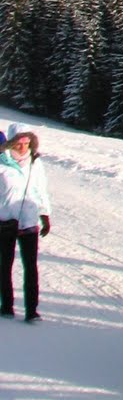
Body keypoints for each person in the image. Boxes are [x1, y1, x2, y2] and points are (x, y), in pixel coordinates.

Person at [0, 122, 53, 323]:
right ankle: (6, 306)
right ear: (11, 143)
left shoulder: (35, 163)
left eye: (26, 142)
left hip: (29, 221)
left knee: (31, 266)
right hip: (5, 220)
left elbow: (40, 190)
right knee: (5, 265)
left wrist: (45, 214)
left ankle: (32, 310)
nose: (23, 147)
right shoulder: (1, 163)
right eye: (19, 143)